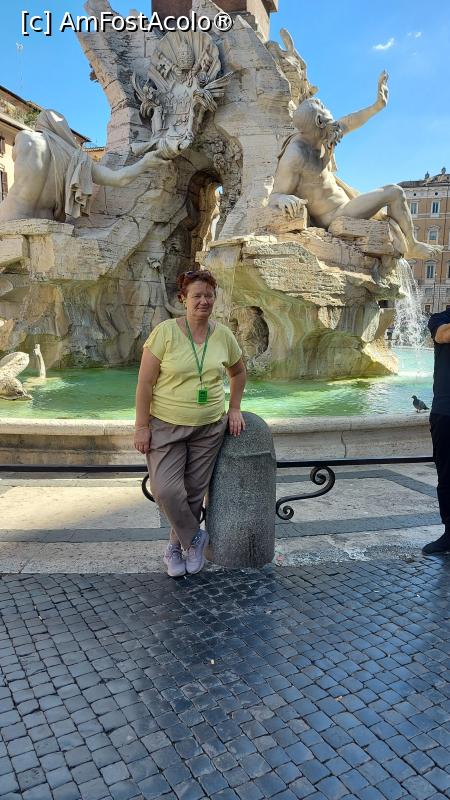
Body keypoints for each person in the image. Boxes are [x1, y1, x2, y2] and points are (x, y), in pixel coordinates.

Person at [134, 269, 246, 577]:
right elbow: (144, 383)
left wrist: (235, 408)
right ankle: (195, 537)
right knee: (166, 490)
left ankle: (175, 547)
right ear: (183, 299)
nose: (204, 301)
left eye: (209, 295)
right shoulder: (165, 333)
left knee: (194, 492)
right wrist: (141, 426)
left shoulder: (223, 335)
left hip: (209, 427)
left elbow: (238, 372)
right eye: (197, 295)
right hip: (165, 425)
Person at [269, 72, 441, 261]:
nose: (330, 112)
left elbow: (349, 122)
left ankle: (409, 244)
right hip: (334, 215)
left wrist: (377, 105)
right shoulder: (296, 154)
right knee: (395, 192)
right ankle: (412, 246)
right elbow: (275, 195)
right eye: (324, 108)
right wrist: (282, 198)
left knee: (392, 199)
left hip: (347, 204)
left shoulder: (323, 135)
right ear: (319, 121)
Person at [0, 109, 166, 223]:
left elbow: (16, 159)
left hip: (9, 216)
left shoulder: (26, 138)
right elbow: (118, 178)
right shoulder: (78, 158)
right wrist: (145, 163)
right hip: (45, 222)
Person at [422, 309, 450, 554]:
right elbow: (443, 336)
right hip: (446, 411)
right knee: (447, 476)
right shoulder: (440, 319)